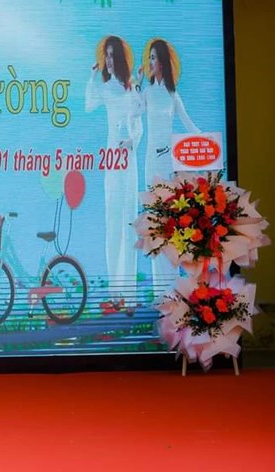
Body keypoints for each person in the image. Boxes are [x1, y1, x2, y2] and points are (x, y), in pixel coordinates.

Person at [139, 38, 200, 297]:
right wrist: (137, 84)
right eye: (149, 57)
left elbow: (189, 124)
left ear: (162, 62)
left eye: (154, 57)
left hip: (167, 163)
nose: (150, 61)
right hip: (151, 163)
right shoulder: (147, 92)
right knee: (155, 224)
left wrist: (209, 142)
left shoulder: (172, 94)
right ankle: (159, 292)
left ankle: (174, 290)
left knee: (171, 225)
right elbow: (134, 112)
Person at [85, 36, 142, 315]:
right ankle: (115, 293)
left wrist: (133, 141)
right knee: (112, 223)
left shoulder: (131, 88)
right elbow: (89, 104)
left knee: (129, 222)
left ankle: (129, 296)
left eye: (112, 55)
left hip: (128, 159)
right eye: (106, 55)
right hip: (112, 160)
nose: (108, 60)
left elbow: (138, 121)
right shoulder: (106, 88)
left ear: (119, 57)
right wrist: (92, 77)